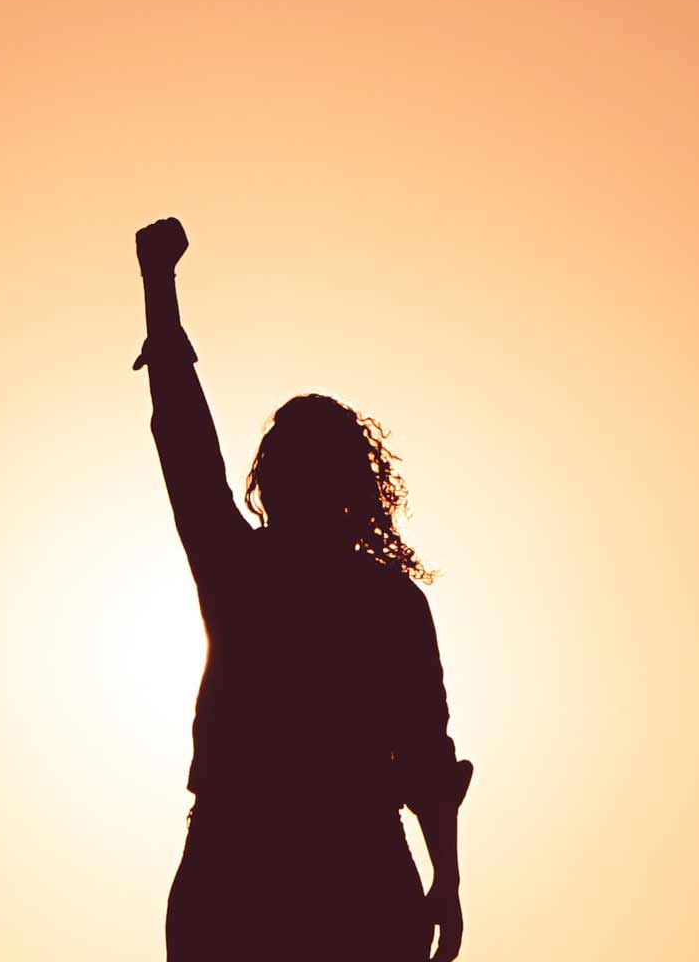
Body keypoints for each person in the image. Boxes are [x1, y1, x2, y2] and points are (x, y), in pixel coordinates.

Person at [132, 216, 473, 962]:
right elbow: (183, 438)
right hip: (302, 865)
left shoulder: (252, 574)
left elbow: (424, 752)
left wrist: (159, 288)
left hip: (281, 868)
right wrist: (445, 877)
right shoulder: (372, 598)